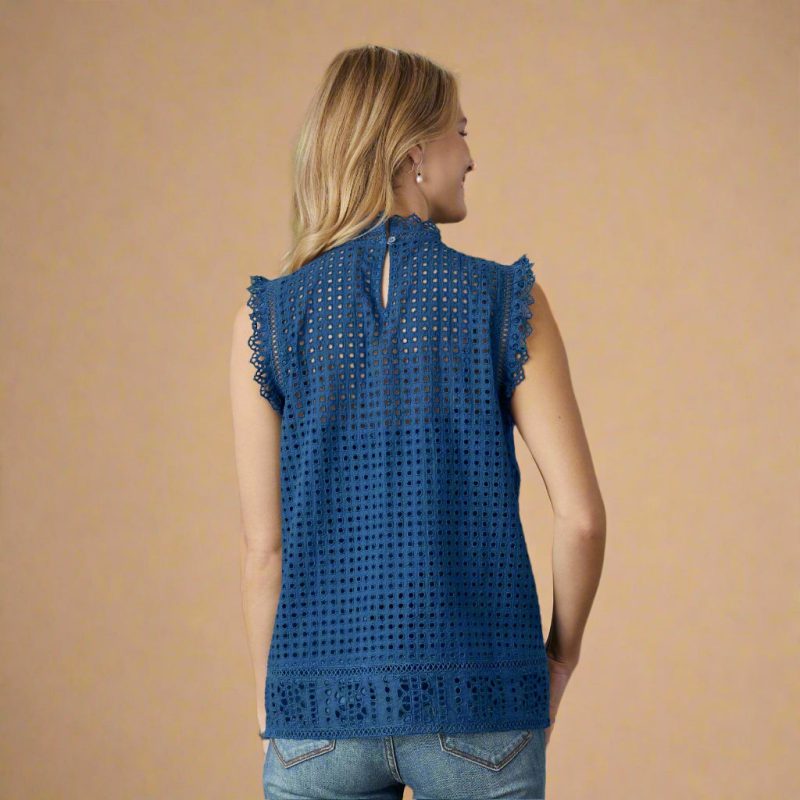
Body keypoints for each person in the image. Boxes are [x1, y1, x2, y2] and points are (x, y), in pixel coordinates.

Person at [230, 45, 605, 800]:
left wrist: (278, 698)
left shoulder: (265, 318)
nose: (470, 156)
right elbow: (582, 519)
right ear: (413, 154)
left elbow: (264, 550)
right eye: (459, 132)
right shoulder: (504, 300)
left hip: (317, 711)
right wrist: (559, 660)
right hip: (482, 702)